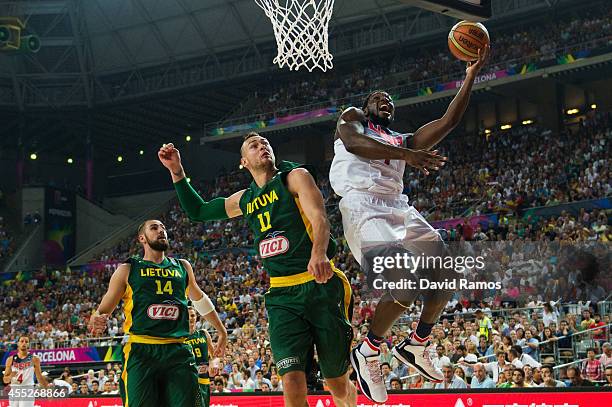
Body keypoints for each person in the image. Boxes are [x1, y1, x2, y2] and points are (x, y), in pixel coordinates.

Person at [329, 38, 489, 402]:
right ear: (368, 106)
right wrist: (409, 154)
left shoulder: (403, 138)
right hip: (362, 208)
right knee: (403, 282)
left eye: (390, 101)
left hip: (397, 206)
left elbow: (450, 119)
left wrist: (471, 76)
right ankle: (369, 349)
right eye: (379, 99)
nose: (385, 102)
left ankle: (418, 342)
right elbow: (355, 146)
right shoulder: (353, 119)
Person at [159, 135, 356, 407]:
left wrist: (319, 252)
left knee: (336, 382)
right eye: (254, 146)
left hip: (320, 284)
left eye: (265, 143)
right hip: (282, 295)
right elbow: (198, 211)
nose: (262, 146)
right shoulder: (245, 199)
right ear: (243, 162)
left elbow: (319, 217)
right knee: (291, 380)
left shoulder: (295, 177)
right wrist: (177, 172)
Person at [88, 219, 227, 407]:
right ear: (142, 238)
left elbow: (199, 299)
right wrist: (96, 317)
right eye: (154, 228)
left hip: (178, 350)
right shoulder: (128, 269)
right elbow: (103, 310)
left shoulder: (182, 267)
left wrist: (221, 330)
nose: (161, 231)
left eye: (163, 228)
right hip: (142, 351)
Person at [3, 335, 50, 407]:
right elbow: (5, 380)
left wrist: (47, 390)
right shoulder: (10, 359)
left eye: (26, 341)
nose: (24, 343)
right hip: (14, 389)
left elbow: (39, 377)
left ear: (28, 344)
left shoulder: (34, 359)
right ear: (18, 343)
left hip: (27, 389)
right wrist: (10, 376)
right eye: (22, 341)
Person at [185, 306, 218, 407]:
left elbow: (214, 356)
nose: (191, 318)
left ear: (196, 317)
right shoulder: (179, 337)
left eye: (193, 315)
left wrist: (213, 363)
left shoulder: (203, 333)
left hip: (203, 378)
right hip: (188, 378)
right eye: (188, 316)